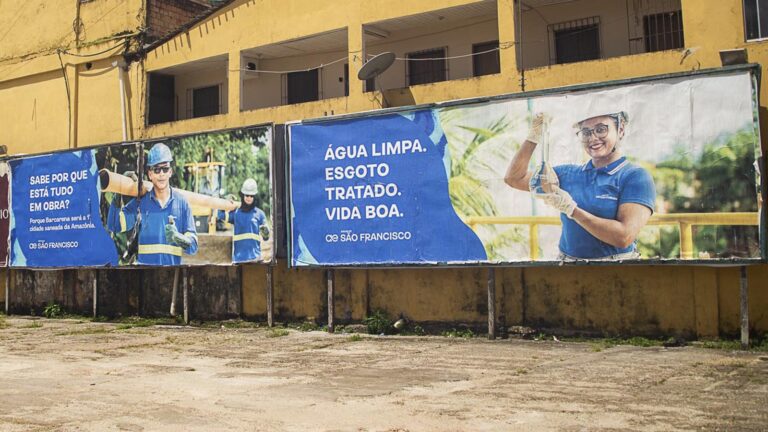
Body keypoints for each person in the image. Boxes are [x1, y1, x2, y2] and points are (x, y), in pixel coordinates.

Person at [504, 110, 656, 260]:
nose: (593, 138)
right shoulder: (568, 174)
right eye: (586, 132)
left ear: (620, 129)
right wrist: (534, 136)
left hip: (614, 270)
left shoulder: (635, 177)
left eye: (601, 129)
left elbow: (623, 237)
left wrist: (572, 210)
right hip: (568, 266)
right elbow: (514, 178)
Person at [107, 143, 198, 265]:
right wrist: (119, 191)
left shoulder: (182, 204)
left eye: (165, 169)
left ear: (170, 172)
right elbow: (114, 225)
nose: (161, 174)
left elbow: (193, 247)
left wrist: (178, 238)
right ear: (150, 174)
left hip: (172, 276)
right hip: (145, 277)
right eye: (156, 169)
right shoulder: (141, 203)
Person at [219, 178, 270, 263]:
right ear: (243, 195)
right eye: (247, 195)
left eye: (251, 196)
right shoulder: (236, 213)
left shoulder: (260, 214)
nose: (249, 198)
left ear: (254, 197)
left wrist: (266, 233)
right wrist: (225, 201)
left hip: (255, 259)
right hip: (239, 259)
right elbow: (220, 215)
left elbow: (266, 238)